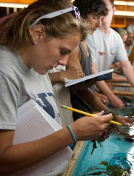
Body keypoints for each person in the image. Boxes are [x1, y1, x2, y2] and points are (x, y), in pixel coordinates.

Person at [0, 0, 113, 175]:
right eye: (62, 51)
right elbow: (3, 159)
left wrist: (88, 130)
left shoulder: (39, 67)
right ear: (38, 33)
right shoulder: (5, 72)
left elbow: (38, 134)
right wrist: (73, 132)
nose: (64, 62)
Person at [70, 0, 132, 125]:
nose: (98, 24)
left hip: (86, 108)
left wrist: (96, 94)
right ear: (79, 16)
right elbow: (79, 88)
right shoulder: (74, 46)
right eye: (94, 18)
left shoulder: (88, 41)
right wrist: (112, 116)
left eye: (100, 18)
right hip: (77, 114)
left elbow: (85, 81)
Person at [86, 0, 134, 108]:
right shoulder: (91, 34)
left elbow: (126, 65)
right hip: (87, 90)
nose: (103, 12)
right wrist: (111, 96)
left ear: (114, 10)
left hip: (99, 89)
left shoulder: (116, 37)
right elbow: (92, 70)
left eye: (106, 9)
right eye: (100, 8)